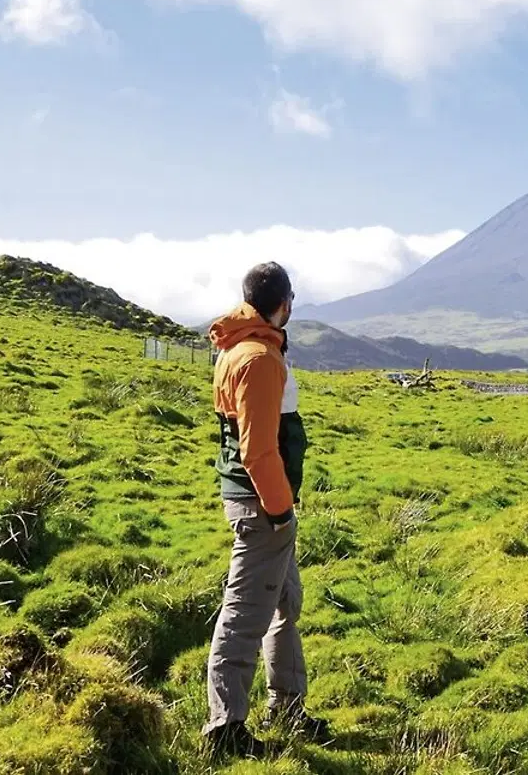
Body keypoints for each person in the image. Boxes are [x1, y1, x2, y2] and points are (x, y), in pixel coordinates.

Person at [203, 262, 328, 757]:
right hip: (262, 506)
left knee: (285, 603)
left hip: (262, 501)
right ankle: (225, 727)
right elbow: (257, 449)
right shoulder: (257, 358)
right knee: (244, 612)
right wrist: (279, 511)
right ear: (283, 303)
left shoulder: (243, 346)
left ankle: (289, 706)